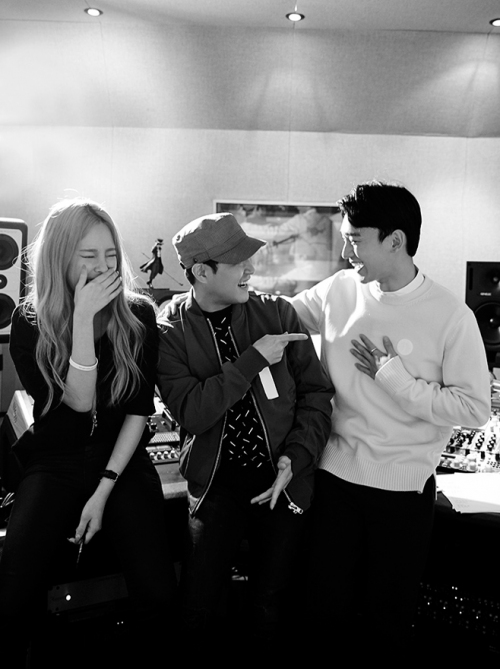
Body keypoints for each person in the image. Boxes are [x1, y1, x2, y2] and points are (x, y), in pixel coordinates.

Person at [290, 181, 491, 660]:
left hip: (402, 492)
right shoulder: (339, 289)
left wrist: (394, 378)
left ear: (395, 241)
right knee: (323, 611)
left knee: (388, 623)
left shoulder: (451, 315)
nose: (345, 253)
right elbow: (276, 318)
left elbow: (474, 409)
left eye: (355, 240)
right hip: (335, 479)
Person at [0, 198, 177, 666]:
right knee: (12, 597)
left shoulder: (138, 315)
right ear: (61, 258)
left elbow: (138, 411)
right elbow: (77, 405)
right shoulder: (29, 321)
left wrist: (104, 489)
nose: (104, 267)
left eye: (111, 255)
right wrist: (81, 320)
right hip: (54, 460)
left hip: (120, 460)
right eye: (89, 255)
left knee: (158, 594)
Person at [156, 212, 334, 653]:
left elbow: (316, 395)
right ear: (201, 272)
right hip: (216, 487)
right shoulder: (169, 328)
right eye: (238, 262)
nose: (250, 270)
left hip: (283, 481)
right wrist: (253, 359)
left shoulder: (277, 312)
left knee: (270, 606)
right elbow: (193, 413)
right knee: (197, 605)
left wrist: (297, 457)